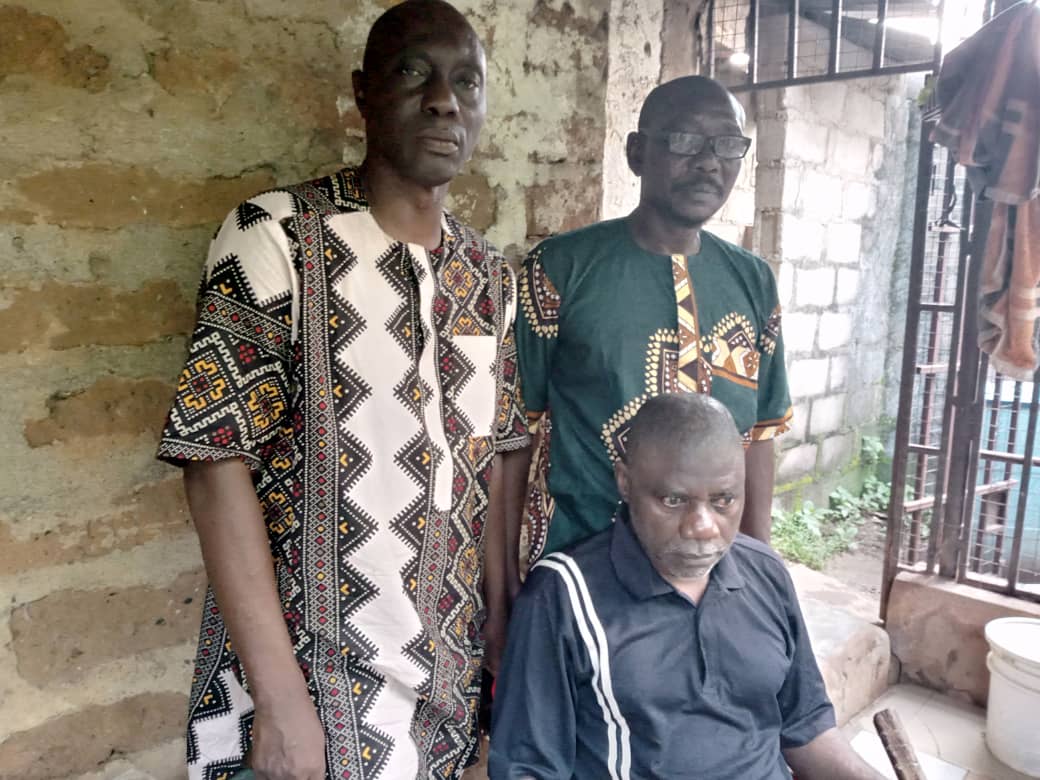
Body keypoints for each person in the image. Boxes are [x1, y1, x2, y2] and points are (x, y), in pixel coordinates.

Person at [156, 2, 528, 778]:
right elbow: (214, 463)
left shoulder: (490, 278)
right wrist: (280, 702)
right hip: (311, 693)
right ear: (363, 94)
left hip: (448, 696)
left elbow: (491, 465)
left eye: (466, 82)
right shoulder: (276, 237)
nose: (444, 101)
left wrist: (500, 640)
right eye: (413, 72)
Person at [488, 394, 883, 780]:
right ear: (625, 482)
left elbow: (806, 726)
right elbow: (527, 767)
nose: (703, 527)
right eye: (674, 500)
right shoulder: (562, 596)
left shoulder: (766, 574)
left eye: (724, 500)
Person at [499, 76, 791, 590]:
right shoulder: (561, 268)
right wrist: (503, 591)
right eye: (685, 140)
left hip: (712, 573)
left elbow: (761, 434)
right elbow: (515, 438)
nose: (708, 162)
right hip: (583, 572)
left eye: (727, 144)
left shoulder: (754, 282)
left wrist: (760, 574)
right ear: (637, 152)